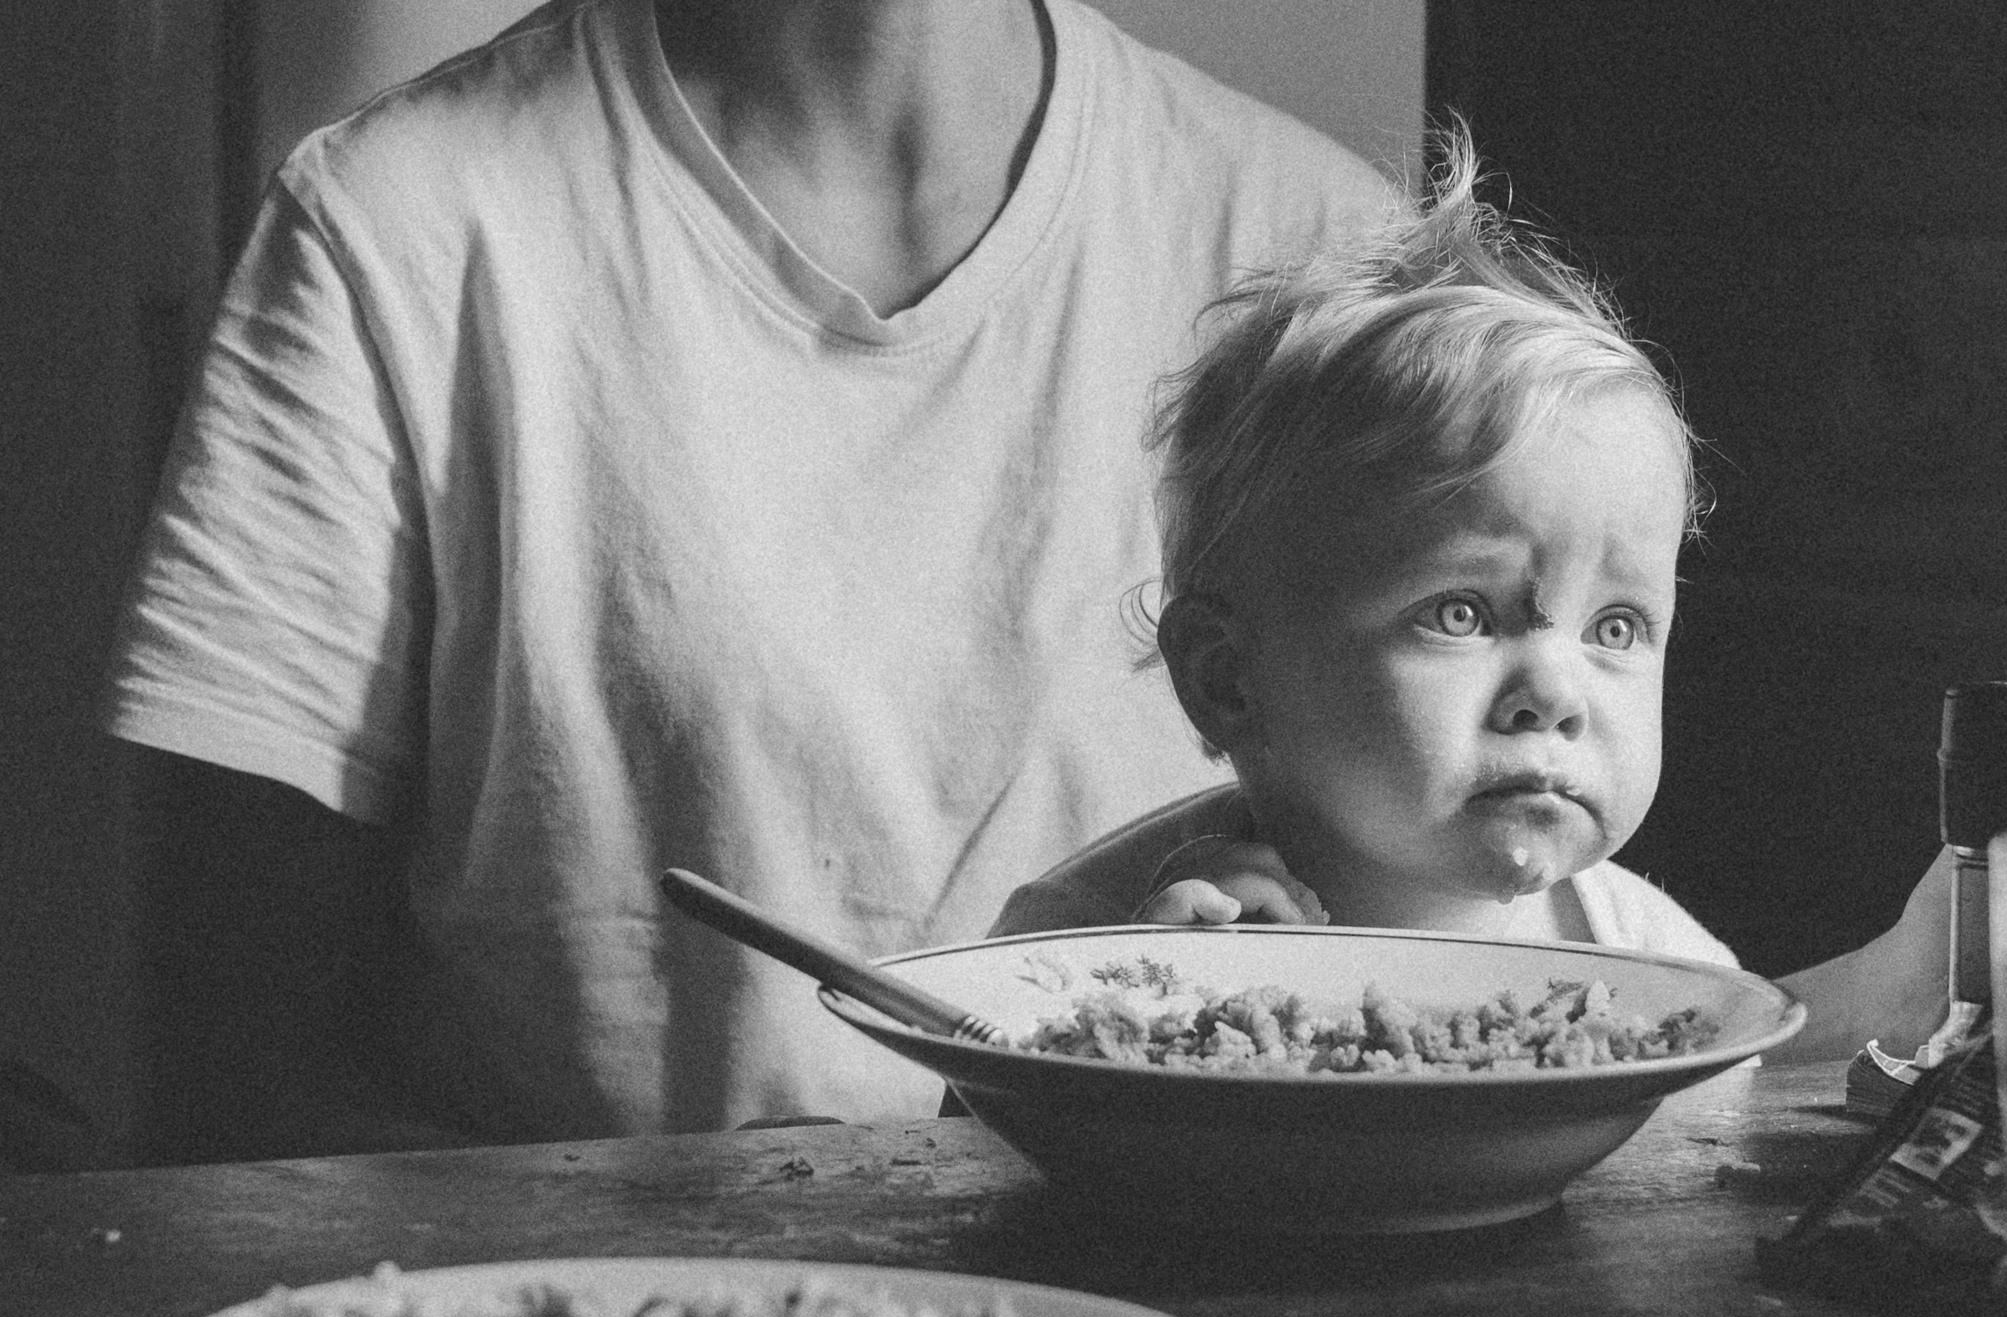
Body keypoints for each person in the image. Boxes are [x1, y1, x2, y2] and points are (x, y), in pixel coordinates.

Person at [103, 0, 1397, 1161]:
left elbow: (1489, 926)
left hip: (1192, 1314)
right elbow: (230, 1074)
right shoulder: (394, 224)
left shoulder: (1316, 255)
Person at [990, 135, 2007, 1063]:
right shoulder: (1098, 928)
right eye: (1462, 614)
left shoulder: (1625, 943)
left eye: (1615, 627)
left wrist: (1937, 951)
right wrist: (1122, 1020)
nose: (1554, 694)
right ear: (1230, 679)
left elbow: (1745, 1092)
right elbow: (950, 1170)